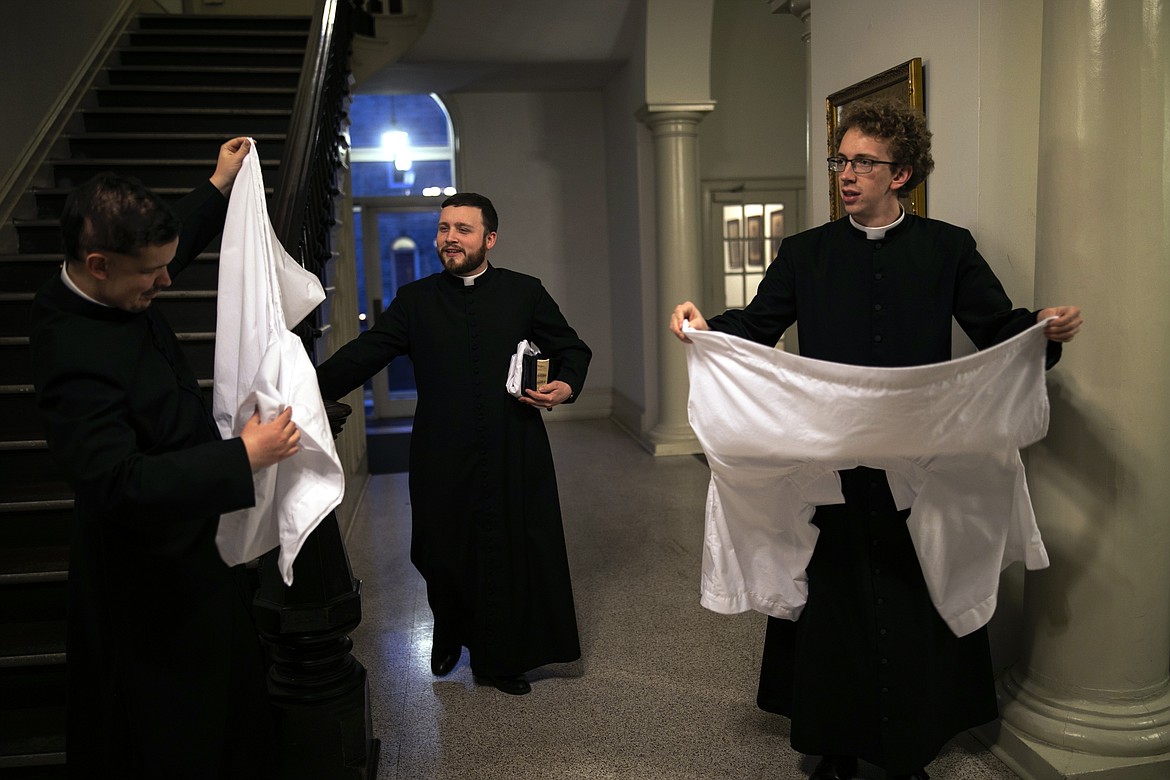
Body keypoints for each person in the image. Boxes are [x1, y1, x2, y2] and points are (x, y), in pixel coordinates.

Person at [669, 100, 1082, 780]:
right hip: (828, 456)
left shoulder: (948, 248)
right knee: (830, 602)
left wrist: (1041, 328)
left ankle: (911, 745)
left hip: (919, 457)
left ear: (904, 174)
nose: (847, 174)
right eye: (842, 160)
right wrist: (704, 326)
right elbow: (757, 324)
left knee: (916, 594)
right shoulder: (805, 253)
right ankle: (833, 745)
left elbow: (998, 330)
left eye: (864, 162)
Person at [30, 137, 302, 779]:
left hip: (190, 543)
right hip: (141, 582)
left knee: (231, 705)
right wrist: (244, 456)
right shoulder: (70, 352)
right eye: (150, 274)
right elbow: (117, 482)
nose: (165, 281)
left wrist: (217, 184)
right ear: (97, 264)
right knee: (173, 734)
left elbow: (165, 248)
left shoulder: (116, 277)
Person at [316, 192, 590, 696]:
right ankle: (448, 630)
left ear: (489, 239)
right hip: (440, 448)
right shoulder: (416, 300)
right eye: (443, 229)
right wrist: (307, 385)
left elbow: (572, 348)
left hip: (513, 446)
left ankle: (499, 659)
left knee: (509, 549)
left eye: (462, 229)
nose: (449, 238)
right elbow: (367, 353)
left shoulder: (525, 293)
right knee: (440, 549)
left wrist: (566, 384)